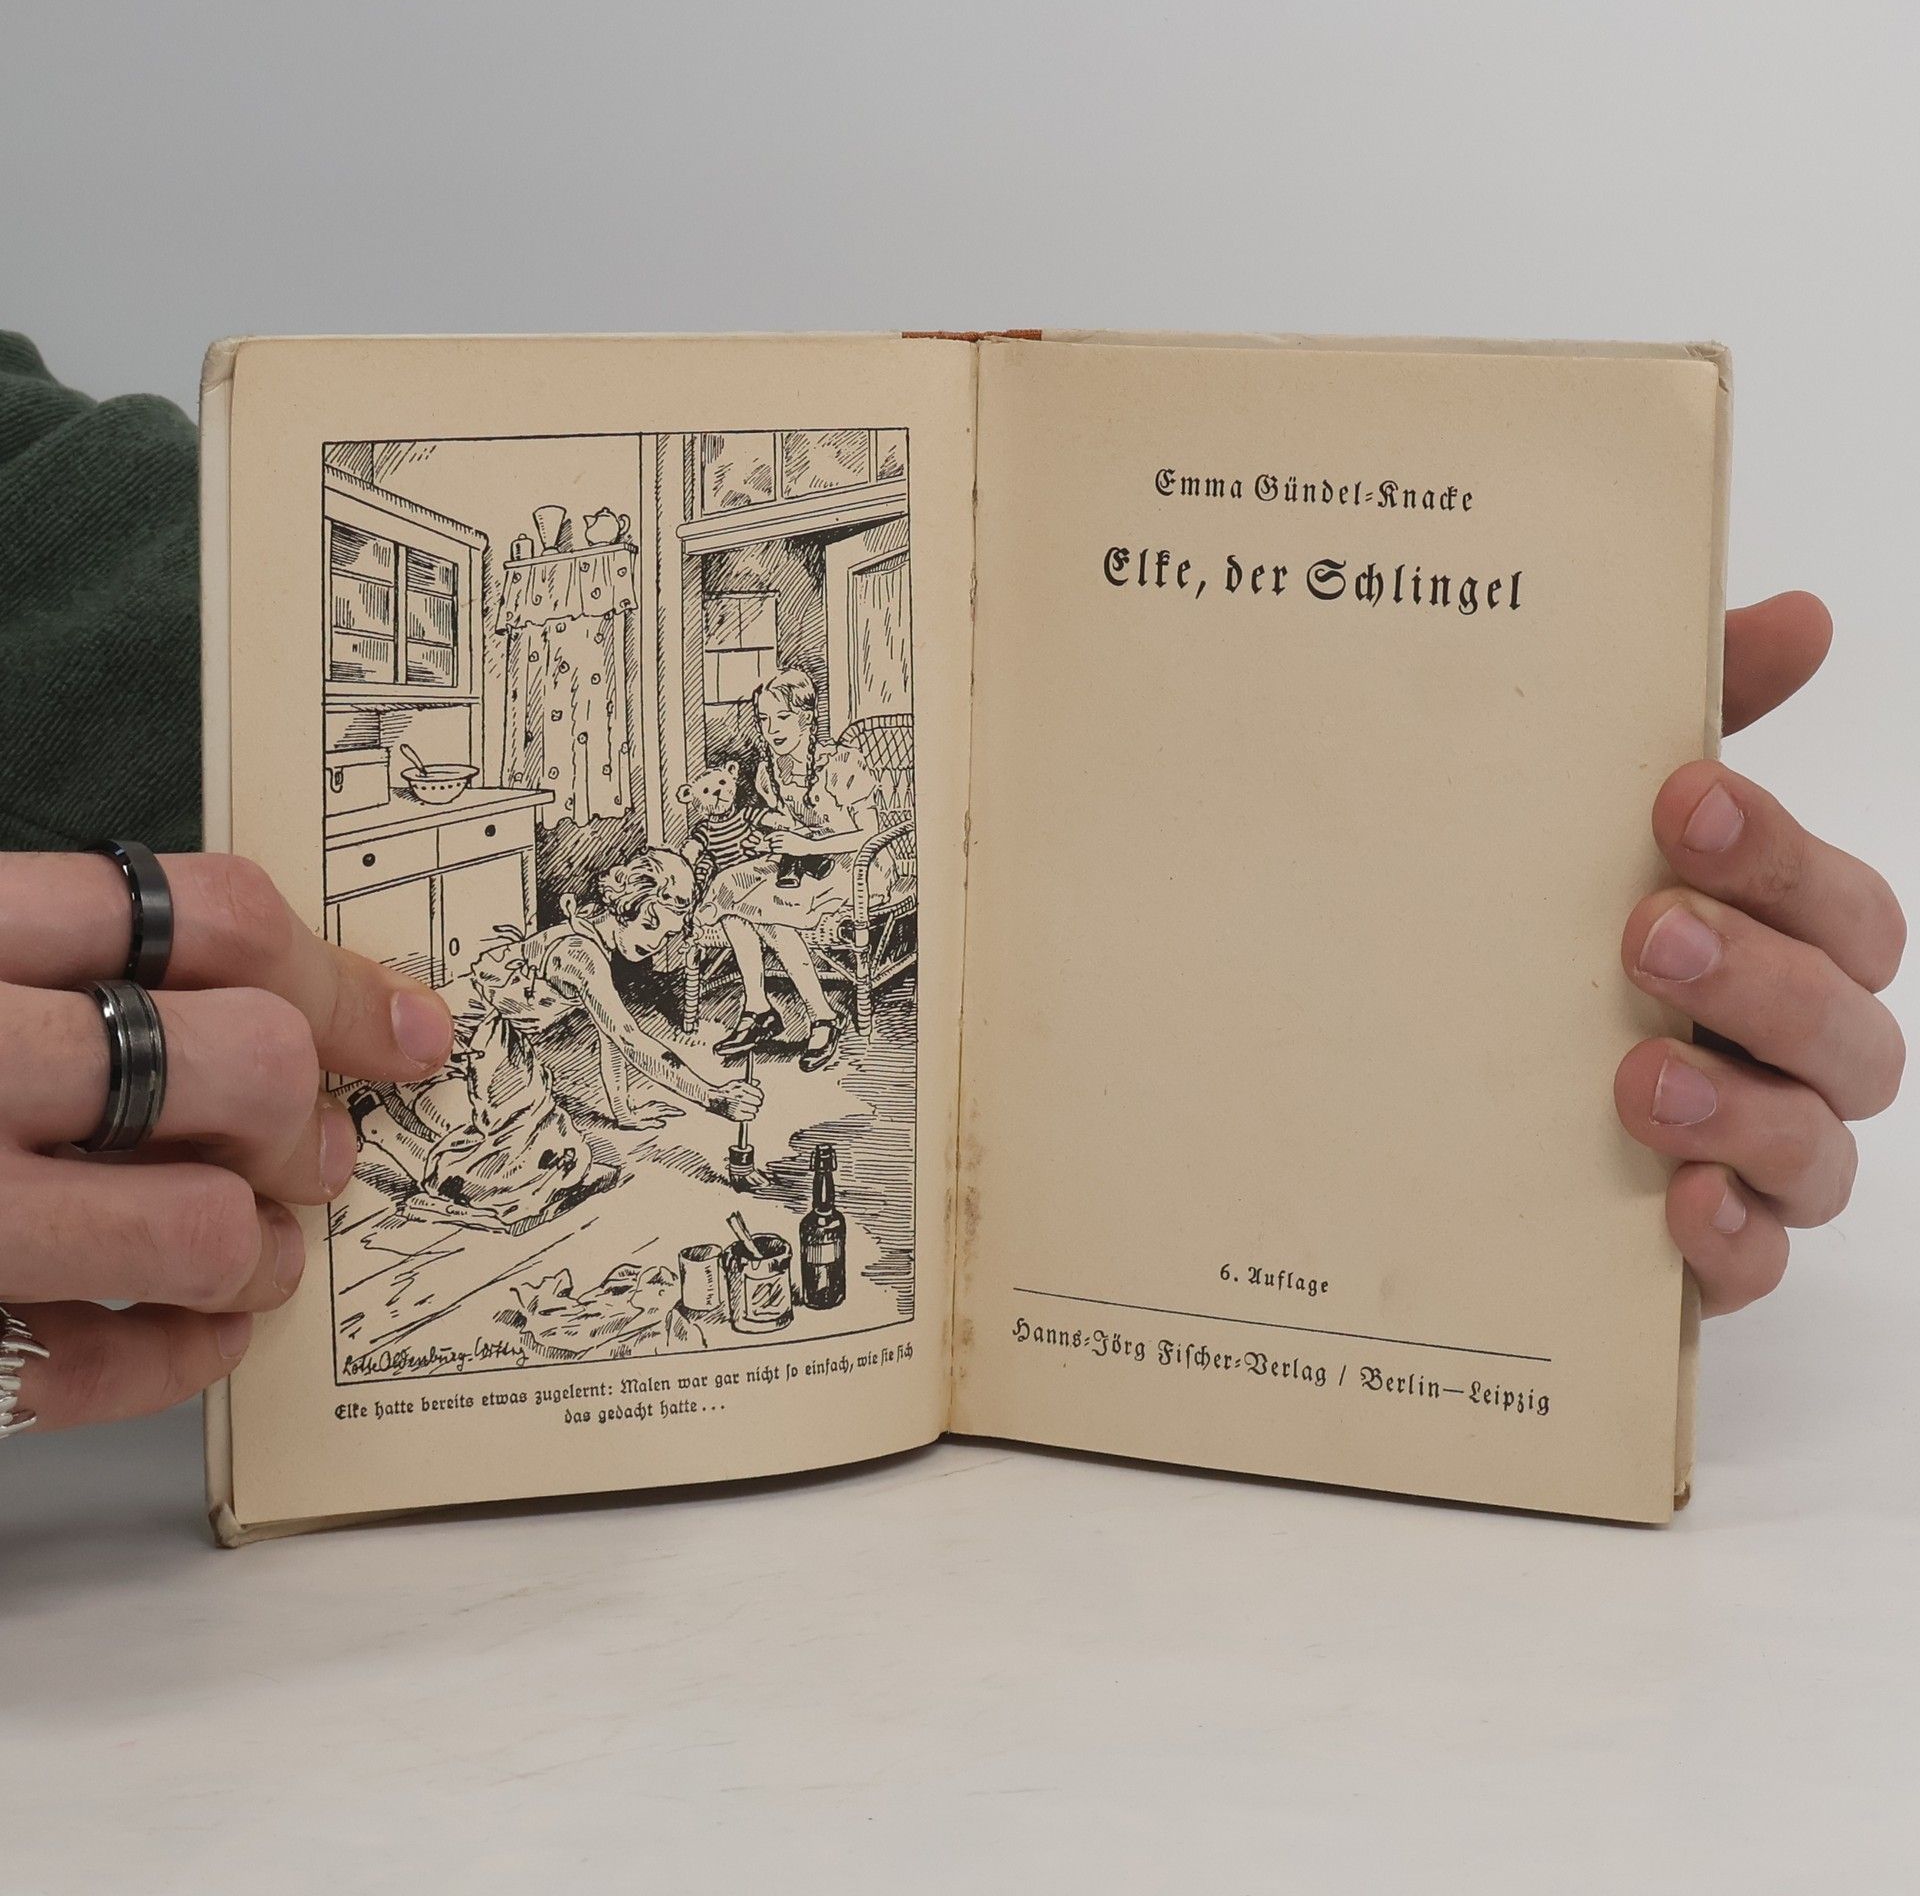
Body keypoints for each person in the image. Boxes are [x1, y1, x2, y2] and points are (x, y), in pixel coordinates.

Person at [0, 341, 1905, 1433]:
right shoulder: (717, 788)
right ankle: (740, 1053)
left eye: (781, 699)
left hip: (743, 903)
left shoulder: (811, 766)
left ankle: (749, 1045)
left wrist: (1441, 855)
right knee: (724, 936)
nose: (773, 711)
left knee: (750, 930)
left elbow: (41, 506)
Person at [353, 852, 762, 1230]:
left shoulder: (595, 942)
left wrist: (623, 1110)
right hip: (451, 1044)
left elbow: (611, 1036)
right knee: (502, 1173)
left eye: (667, 935)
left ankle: (390, 1117)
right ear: (637, 910)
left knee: (562, 1156)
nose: (657, 945)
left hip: (500, 1042)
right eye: (656, 929)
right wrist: (711, 1096)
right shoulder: (581, 955)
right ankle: (376, 1125)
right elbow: (629, 1038)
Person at [696, 666, 897, 1072]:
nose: (772, 729)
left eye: (783, 717)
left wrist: (809, 844)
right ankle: (758, 1007)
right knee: (730, 890)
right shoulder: (769, 771)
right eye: (764, 719)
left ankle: (822, 1017)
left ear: (806, 717)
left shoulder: (842, 763)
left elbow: (871, 834)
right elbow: (790, 824)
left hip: (858, 866)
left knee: (768, 913)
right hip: (803, 863)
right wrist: (768, 840)